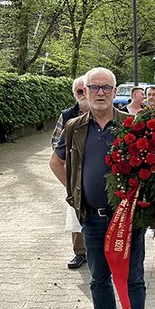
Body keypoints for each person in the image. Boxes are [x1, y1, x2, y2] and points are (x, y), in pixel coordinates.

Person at [49, 67, 146, 309]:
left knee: (133, 280)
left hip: (128, 220)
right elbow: (56, 161)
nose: (101, 92)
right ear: (85, 92)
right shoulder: (74, 127)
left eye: (106, 87)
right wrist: (76, 192)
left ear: (116, 92)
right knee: (98, 279)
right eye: (95, 87)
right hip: (92, 218)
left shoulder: (132, 125)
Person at [50, 75, 89, 270]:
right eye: (79, 91)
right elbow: (55, 144)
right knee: (76, 212)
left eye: (85, 90)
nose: (83, 95)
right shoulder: (67, 115)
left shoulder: (107, 111)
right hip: (75, 173)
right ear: (75, 94)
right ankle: (80, 252)